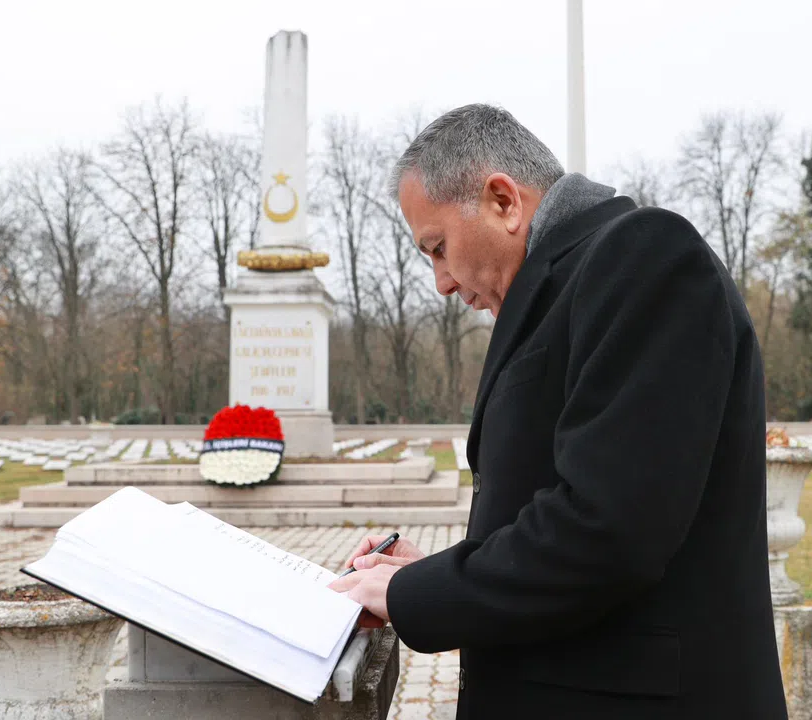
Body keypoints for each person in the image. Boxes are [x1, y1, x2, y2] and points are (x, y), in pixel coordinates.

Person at [329, 104, 787, 719]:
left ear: (503, 202)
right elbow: (558, 504)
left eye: (438, 248)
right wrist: (436, 572)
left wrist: (414, 593)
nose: (441, 281)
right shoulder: (564, 289)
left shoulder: (645, 257)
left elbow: (608, 528)